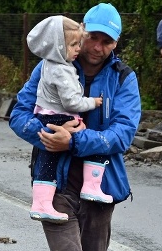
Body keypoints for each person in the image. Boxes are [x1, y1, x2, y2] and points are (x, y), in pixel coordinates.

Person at [9, 3, 140, 251]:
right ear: (82, 33)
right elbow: (18, 113)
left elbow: (124, 132)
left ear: (115, 43)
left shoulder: (123, 78)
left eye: (106, 41)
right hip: (58, 186)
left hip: (101, 190)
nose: (96, 47)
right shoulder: (51, 64)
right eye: (92, 38)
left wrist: (77, 140)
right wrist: (46, 133)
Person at [25, 15, 109, 223]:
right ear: (57, 46)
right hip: (59, 117)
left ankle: (42, 203)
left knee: (48, 162)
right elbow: (72, 102)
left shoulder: (50, 63)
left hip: (48, 116)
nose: (77, 48)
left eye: (77, 43)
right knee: (94, 143)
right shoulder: (61, 69)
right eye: (72, 45)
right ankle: (91, 187)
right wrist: (93, 102)